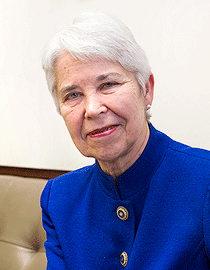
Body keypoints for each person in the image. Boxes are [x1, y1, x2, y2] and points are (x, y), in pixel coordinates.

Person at [41, 11, 210, 269]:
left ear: (146, 90)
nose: (92, 108)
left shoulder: (204, 180)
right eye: (73, 94)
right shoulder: (60, 200)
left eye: (108, 84)